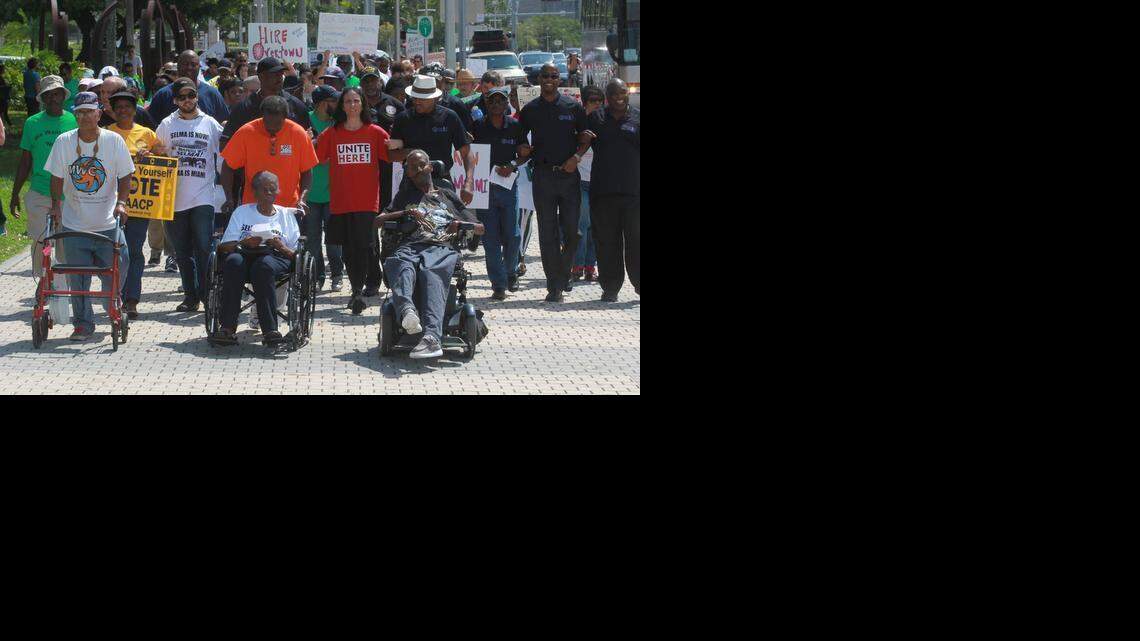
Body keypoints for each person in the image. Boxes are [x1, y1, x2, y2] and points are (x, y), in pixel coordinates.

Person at [43, 92, 135, 342]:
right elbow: (57, 177)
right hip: (75, 224)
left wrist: (122, 203)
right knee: (78, 277)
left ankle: (111, 300)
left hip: (107, 223)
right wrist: (56, 206)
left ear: (98, 113)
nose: (84, 116)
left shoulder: (114, 141)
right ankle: (83, 324)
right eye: (80, 112)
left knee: (121, 263)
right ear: (76, 115)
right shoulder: (64, 141)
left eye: (89, 111)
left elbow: (125, 174)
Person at [380, 150, 484, 359]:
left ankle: (432, 338)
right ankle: (407, 312)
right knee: (398, 262)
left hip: (441, 246)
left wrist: (460, 224)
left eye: (422, 165)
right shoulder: (405, 197)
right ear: (407, 173)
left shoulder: (447, 196)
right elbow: (378, 220)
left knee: (431, 271)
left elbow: (480, 227)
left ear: (430, 167)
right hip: (411, 245)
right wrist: (406, 212)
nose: (418, 170)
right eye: (412, 167)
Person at [517, 64, 591, 302]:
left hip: (568, 176)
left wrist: (577, 158)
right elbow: (519, 140)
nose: (549, 79)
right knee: (547, 234)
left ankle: (563, 271)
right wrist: (522, 150)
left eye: (553, 76)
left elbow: (585, 138)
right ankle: (554, 285)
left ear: (560, 80)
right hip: (543, 176)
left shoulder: (573, 107)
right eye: (545, 76)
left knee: (573, 232)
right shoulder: (530, 110)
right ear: (538, 80)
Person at [315, 87, 390, 315]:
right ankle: (356, 290)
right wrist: (310, 140)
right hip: (340, 199)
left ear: (363, 104)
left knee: (365, 245)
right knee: (348, 247)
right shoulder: (331, 133)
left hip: (367, 200)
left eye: (356, 100)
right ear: (341, 106)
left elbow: (392, 157)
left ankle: (365, 285)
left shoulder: (376, 132)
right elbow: (317, 159)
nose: (352, 105)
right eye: (347, 101)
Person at [156, 77, 225, 313]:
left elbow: (222, 158)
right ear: (175, 100)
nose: (188, 100)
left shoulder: (210, 124)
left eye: (191, 95)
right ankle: (190, 296)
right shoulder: (166, 124)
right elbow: (158, 155)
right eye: (182, 97)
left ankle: (208, 294)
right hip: (173, 198)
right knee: (182, 251)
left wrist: (225, 188)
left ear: (197, 96)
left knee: (204, 247)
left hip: (203, 196)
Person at [212, 171, 301, 347]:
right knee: (232, 262)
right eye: (264, 189)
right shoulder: (242, 212)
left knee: (263, 266)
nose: (269, 193)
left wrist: (280, 246)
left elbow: (296, 256)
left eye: (272, 189)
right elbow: (223, 247)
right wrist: (242, 242)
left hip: (274, 257)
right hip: (244, 254)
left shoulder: (285, 215)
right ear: (254, 192)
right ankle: (227, 328)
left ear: (278, 191)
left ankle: (270, 330)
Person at [10, 75, 78, 278]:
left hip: (67, 192)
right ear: (42, 98)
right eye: (47, 95)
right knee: (42, 239)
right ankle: (42, 280)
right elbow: (25, 161)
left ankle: (64, 283)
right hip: (39, 190)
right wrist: (15, 194)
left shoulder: (74, 120)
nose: (52, 98)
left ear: (63, 96)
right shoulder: (33, 123)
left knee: (65, 241)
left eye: (56, 94)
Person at [105, 89, 162, 319]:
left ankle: (132, 299)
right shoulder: (106, 132)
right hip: (110, 202)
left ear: (134, 109)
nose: (123, 110)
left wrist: (150, 153)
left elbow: (163, 156)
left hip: (139, 204)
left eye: (127, 106)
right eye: (118, 107)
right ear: (113, 110)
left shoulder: (147, 133)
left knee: (135, 250)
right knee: (115, 251)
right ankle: (114, 294)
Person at [582, 79, 640, 302]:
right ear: (607, 96)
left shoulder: (637, 117)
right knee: (607, 242)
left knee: (636, 241)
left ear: (627, 94)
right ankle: (610, 287)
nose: (619, 97)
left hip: (634, 192)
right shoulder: (595, 119)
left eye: (623, 93)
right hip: (603, 192)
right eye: (614, 93)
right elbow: (582, 142)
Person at [472, 87, 529, 300]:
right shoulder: (477, 126)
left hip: (508, 186)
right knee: (490, 238)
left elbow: (525, 153)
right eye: (492, 100)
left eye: (501, 101)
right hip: (484, 189)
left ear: (507, 105)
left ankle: (511, 271)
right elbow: (468, 153)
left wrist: (513, 165)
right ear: (486, 104)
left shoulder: (515, 126)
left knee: (513, 235)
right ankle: (498, 284)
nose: (496, 104)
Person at [388, 75, 475, 205]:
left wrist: (469, 182)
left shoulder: (450, 117)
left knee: (447, 222)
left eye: (423, 98)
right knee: (408, 224)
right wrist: (413, 153)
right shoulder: (402, 119)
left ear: (435, 98)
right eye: (415, 97)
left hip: (442, 180)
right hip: (411, 183)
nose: (417, 101)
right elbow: (391, 155)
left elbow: (466, 152)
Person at [221, 57, 311, 149]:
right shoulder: (244, 108)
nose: (279, 78)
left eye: (281, 74)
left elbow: (309, 141)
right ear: (261, 77)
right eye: (275, 74)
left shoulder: (296, 105)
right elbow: (225, 144)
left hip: (288, 161)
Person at [305, 84, 345, 293]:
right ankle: (317, 276)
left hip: (334, 192)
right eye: (334, 101)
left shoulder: (339, 123)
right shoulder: (305, 120)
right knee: (312, 240)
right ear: (322, 103)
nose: (338, 105)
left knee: (334, 238)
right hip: (310, 192)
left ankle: (337, 274)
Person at [572, 85, 604, 283]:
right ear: (585, 103)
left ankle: (591, 266)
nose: (597, 105)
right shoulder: (578, 124)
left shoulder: (605, 123)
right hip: (581, 182)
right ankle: (578, 265)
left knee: (596, 227)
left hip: (600, 184)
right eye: (593, 101)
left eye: (600, 101)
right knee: (582, 226)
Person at [147, 50, 229, 125]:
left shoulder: (212, 94)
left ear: (199, 67)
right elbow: (150, 126)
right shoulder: (162, 95)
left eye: (193, 64)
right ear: (178, 66)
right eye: (185, 64)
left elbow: (224, 123)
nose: (189, 68)